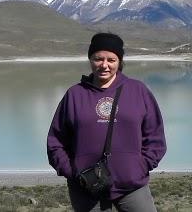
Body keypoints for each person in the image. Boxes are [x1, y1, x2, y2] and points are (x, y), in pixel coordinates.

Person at [47, 32, 167, 212]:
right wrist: (71, 170)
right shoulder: (75, 94)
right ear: (90, 60)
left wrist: (140, 166)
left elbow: (155, 135)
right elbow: (56, 140)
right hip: (86, 186)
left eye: (111, 60)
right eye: (98, 59)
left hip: (132, 186)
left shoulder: (137, 90)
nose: (104, 65)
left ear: (119, 62)